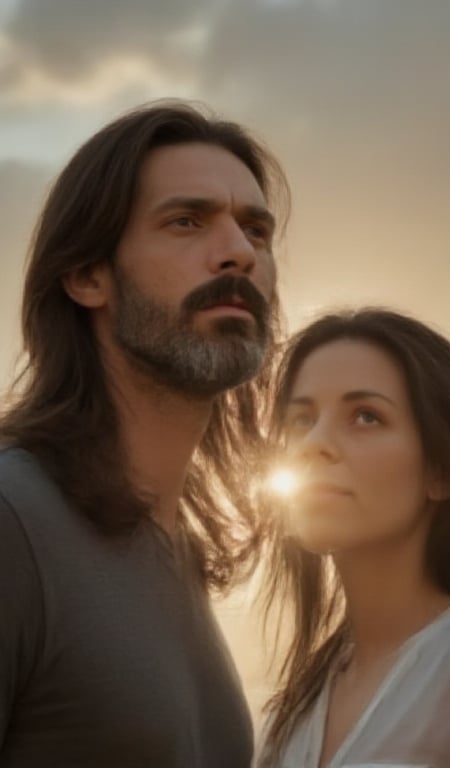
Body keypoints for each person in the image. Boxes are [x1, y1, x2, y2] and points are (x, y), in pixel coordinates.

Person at [0, 100, 289, 767]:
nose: (238, 254)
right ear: (87, 275)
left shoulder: (178, 553)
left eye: (256, 231)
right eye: (187, 222)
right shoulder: (15, 521)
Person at [257, 308, 450, 768]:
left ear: (443, 470)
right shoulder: (291, 710)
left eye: (366, 417)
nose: (315, 442)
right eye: (302, 420)